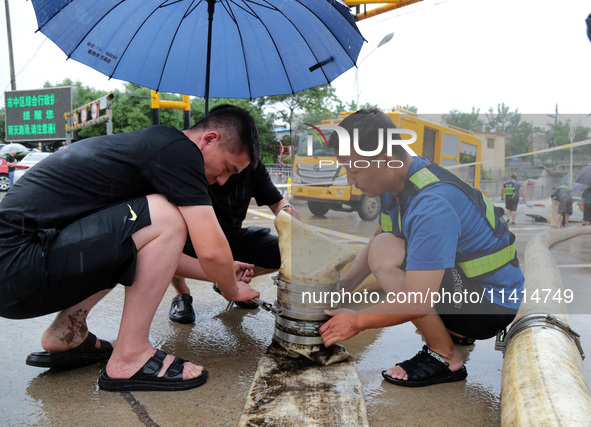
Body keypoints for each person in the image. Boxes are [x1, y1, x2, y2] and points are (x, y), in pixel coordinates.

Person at [0, 106, 261, 393]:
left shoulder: (153, 151)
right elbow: (211, 250)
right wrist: (232, 290)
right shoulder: (179, 150)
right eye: (228, 168)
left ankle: (67, 333)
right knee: (167, 215)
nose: (224, 181)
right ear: (209, 139)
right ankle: (131, 356)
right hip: (19, 263)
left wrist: (222, 272)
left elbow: (152, 253)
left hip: (17, 270)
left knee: (150, 223)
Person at [318, 109, 524, 387]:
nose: (349, 181)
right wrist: (342, 288)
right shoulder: (399, 181)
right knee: (383, 245)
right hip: (472, 288)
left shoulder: (433, 203)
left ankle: (444, 356)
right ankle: (454, 333)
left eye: (354, 170)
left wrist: (357, 321)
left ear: (386, 161)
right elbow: (383, 233)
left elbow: (416, 300)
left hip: (488, 306)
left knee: (385, 252)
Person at [169, 160, 300, 323]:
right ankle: (182, 293)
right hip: (191, 239)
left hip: (232, 236)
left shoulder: (252, 165)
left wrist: (287, 211)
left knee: (292, 251)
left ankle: (229, 283)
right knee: (168, 244)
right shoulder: (187, 161)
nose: (223, 179)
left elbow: (277, 201)